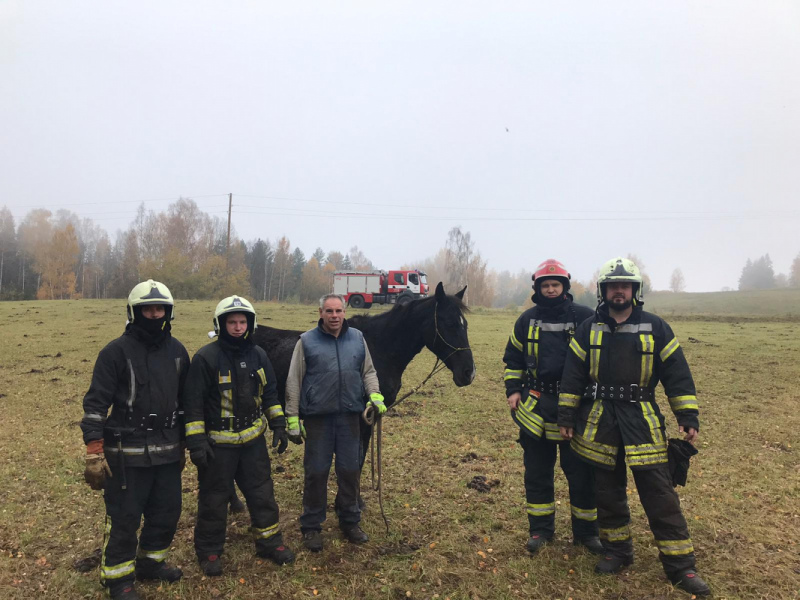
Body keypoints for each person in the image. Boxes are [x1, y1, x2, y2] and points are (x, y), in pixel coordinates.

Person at [558, 257, 710, 596]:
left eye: (625, 286)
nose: (619, 291)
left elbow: (677, 374)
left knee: (660, 493)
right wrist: (566, 417)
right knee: (607, 492)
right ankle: (617, 552)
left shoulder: (657, 327)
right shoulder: (588, 329)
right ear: (604, 291)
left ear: (634, 290)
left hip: (642, 419)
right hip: (599, 421)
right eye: (613, 286)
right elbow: (573, 375)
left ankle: (681, 567)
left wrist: (688, 416)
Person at [80, 280, 189, 600]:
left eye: (160, 309)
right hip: (125, 455)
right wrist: (94, 450)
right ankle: (119, 578)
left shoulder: (178, 352)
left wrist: (184, 444)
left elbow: (186, 403)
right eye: (147, 309)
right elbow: (96, 405)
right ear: (134, 311)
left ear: (168, 312)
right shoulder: (114, 353)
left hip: (168, 451)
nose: (154, 315)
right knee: (125, 517)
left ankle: (151, 565)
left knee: (167, 512)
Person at [183, 295, 294, 575]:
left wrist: (278, 424)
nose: (237, 326)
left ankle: (269, 541)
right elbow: (193, 403)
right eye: (231, 322)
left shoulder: (258, 355)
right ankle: (209, 551)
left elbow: (269, 393)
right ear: (220, 324)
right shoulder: (205, 357)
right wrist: (196, 442)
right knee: (214, 499)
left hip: (253, 443)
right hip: (218, 444)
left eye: (242, 321)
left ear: (250, 324)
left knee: (262, 494)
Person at [502, 259, 602, 556]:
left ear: (565, 287)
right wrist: (512, 391)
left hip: (577, 407)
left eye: (555, 284)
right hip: (535, 407)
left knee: (582, 474)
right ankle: (540, 531)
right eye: (545, 285)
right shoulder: (526, 320)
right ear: (537, 288)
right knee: (537, 472)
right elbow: (513, 360)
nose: (550, 289)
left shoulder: (586, 317)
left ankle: (587, 534)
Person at [285, 293, 385, 552]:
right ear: (320, 312)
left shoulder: (358, 339)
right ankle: (311, 526)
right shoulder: (306, 341)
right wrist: (293, 417)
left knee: (350, 471)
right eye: (329, 311)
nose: (334, 316)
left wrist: (374, 394)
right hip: (318, 419)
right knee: (316, 473)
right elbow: (294, 380)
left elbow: (369, 371)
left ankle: (350, 521)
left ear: (344, 312)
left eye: (339, 311)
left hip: (350, 418)